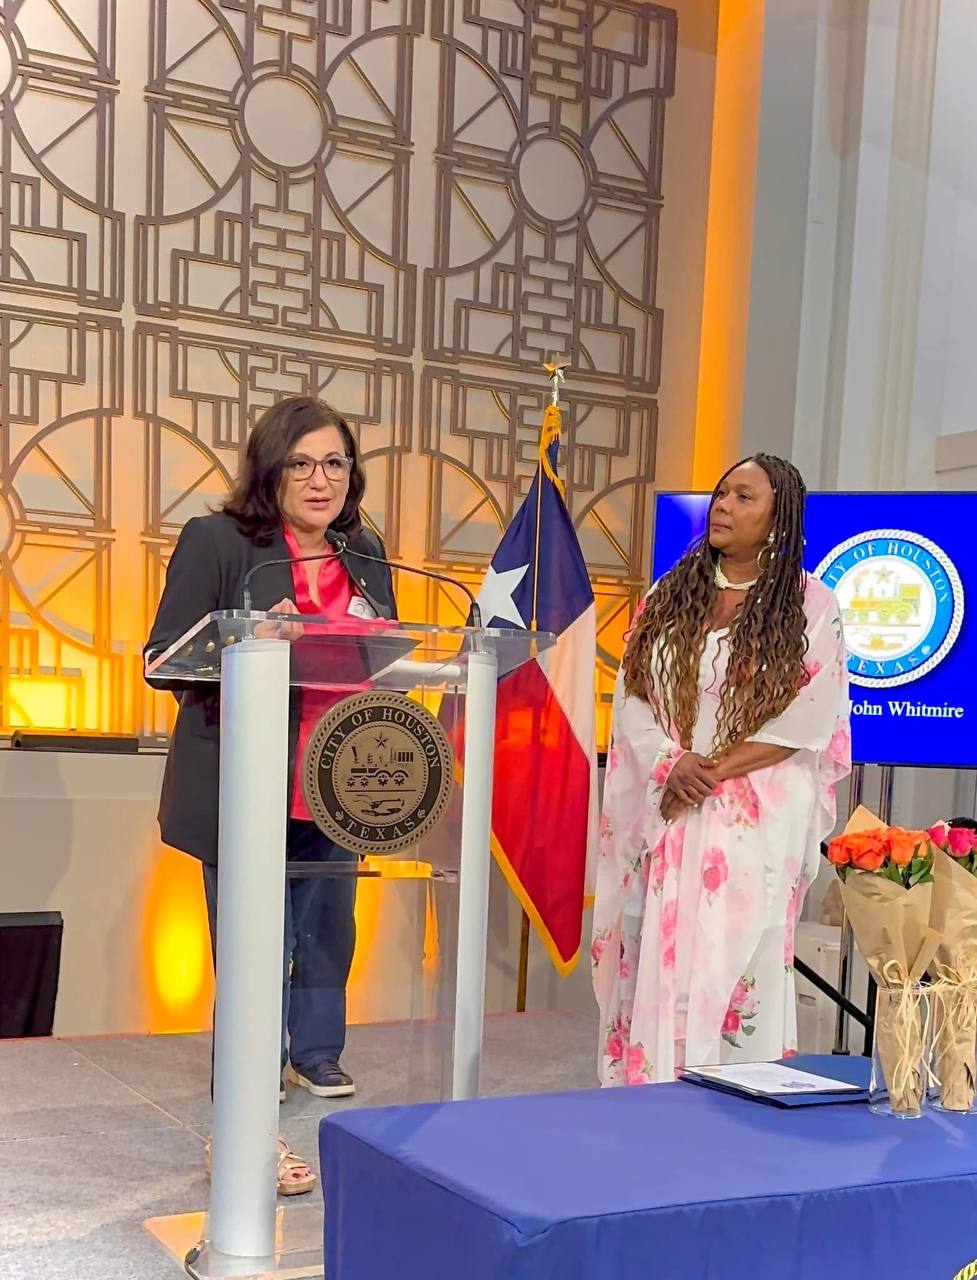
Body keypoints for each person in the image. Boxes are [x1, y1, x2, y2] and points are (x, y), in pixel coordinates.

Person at [144, 396, 396, 1194]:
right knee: (254, 943)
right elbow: (163, 660)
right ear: (270, 468)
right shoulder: (220, 541)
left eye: (335, 463)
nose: (320, 480)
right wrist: (249, 640)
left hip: (340, 775)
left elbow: (387, 653)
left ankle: (317, 1052)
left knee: (329, 925)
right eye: (301, 463)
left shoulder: (365, 550)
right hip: (247, 780)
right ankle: (251, 1089)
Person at [592, 454, 851, 1085]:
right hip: (671, 804)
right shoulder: (668, 595)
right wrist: (670, 762)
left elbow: (807, 720)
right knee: (660, 953)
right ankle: (652, 1098)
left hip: (751, 815)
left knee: (740, 962)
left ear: (778, 518)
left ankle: (735, 1108)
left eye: (744, 498)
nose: (724, 507)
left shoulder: (811, 605)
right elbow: (633, 695)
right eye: (721, 494)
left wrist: (704, 773)